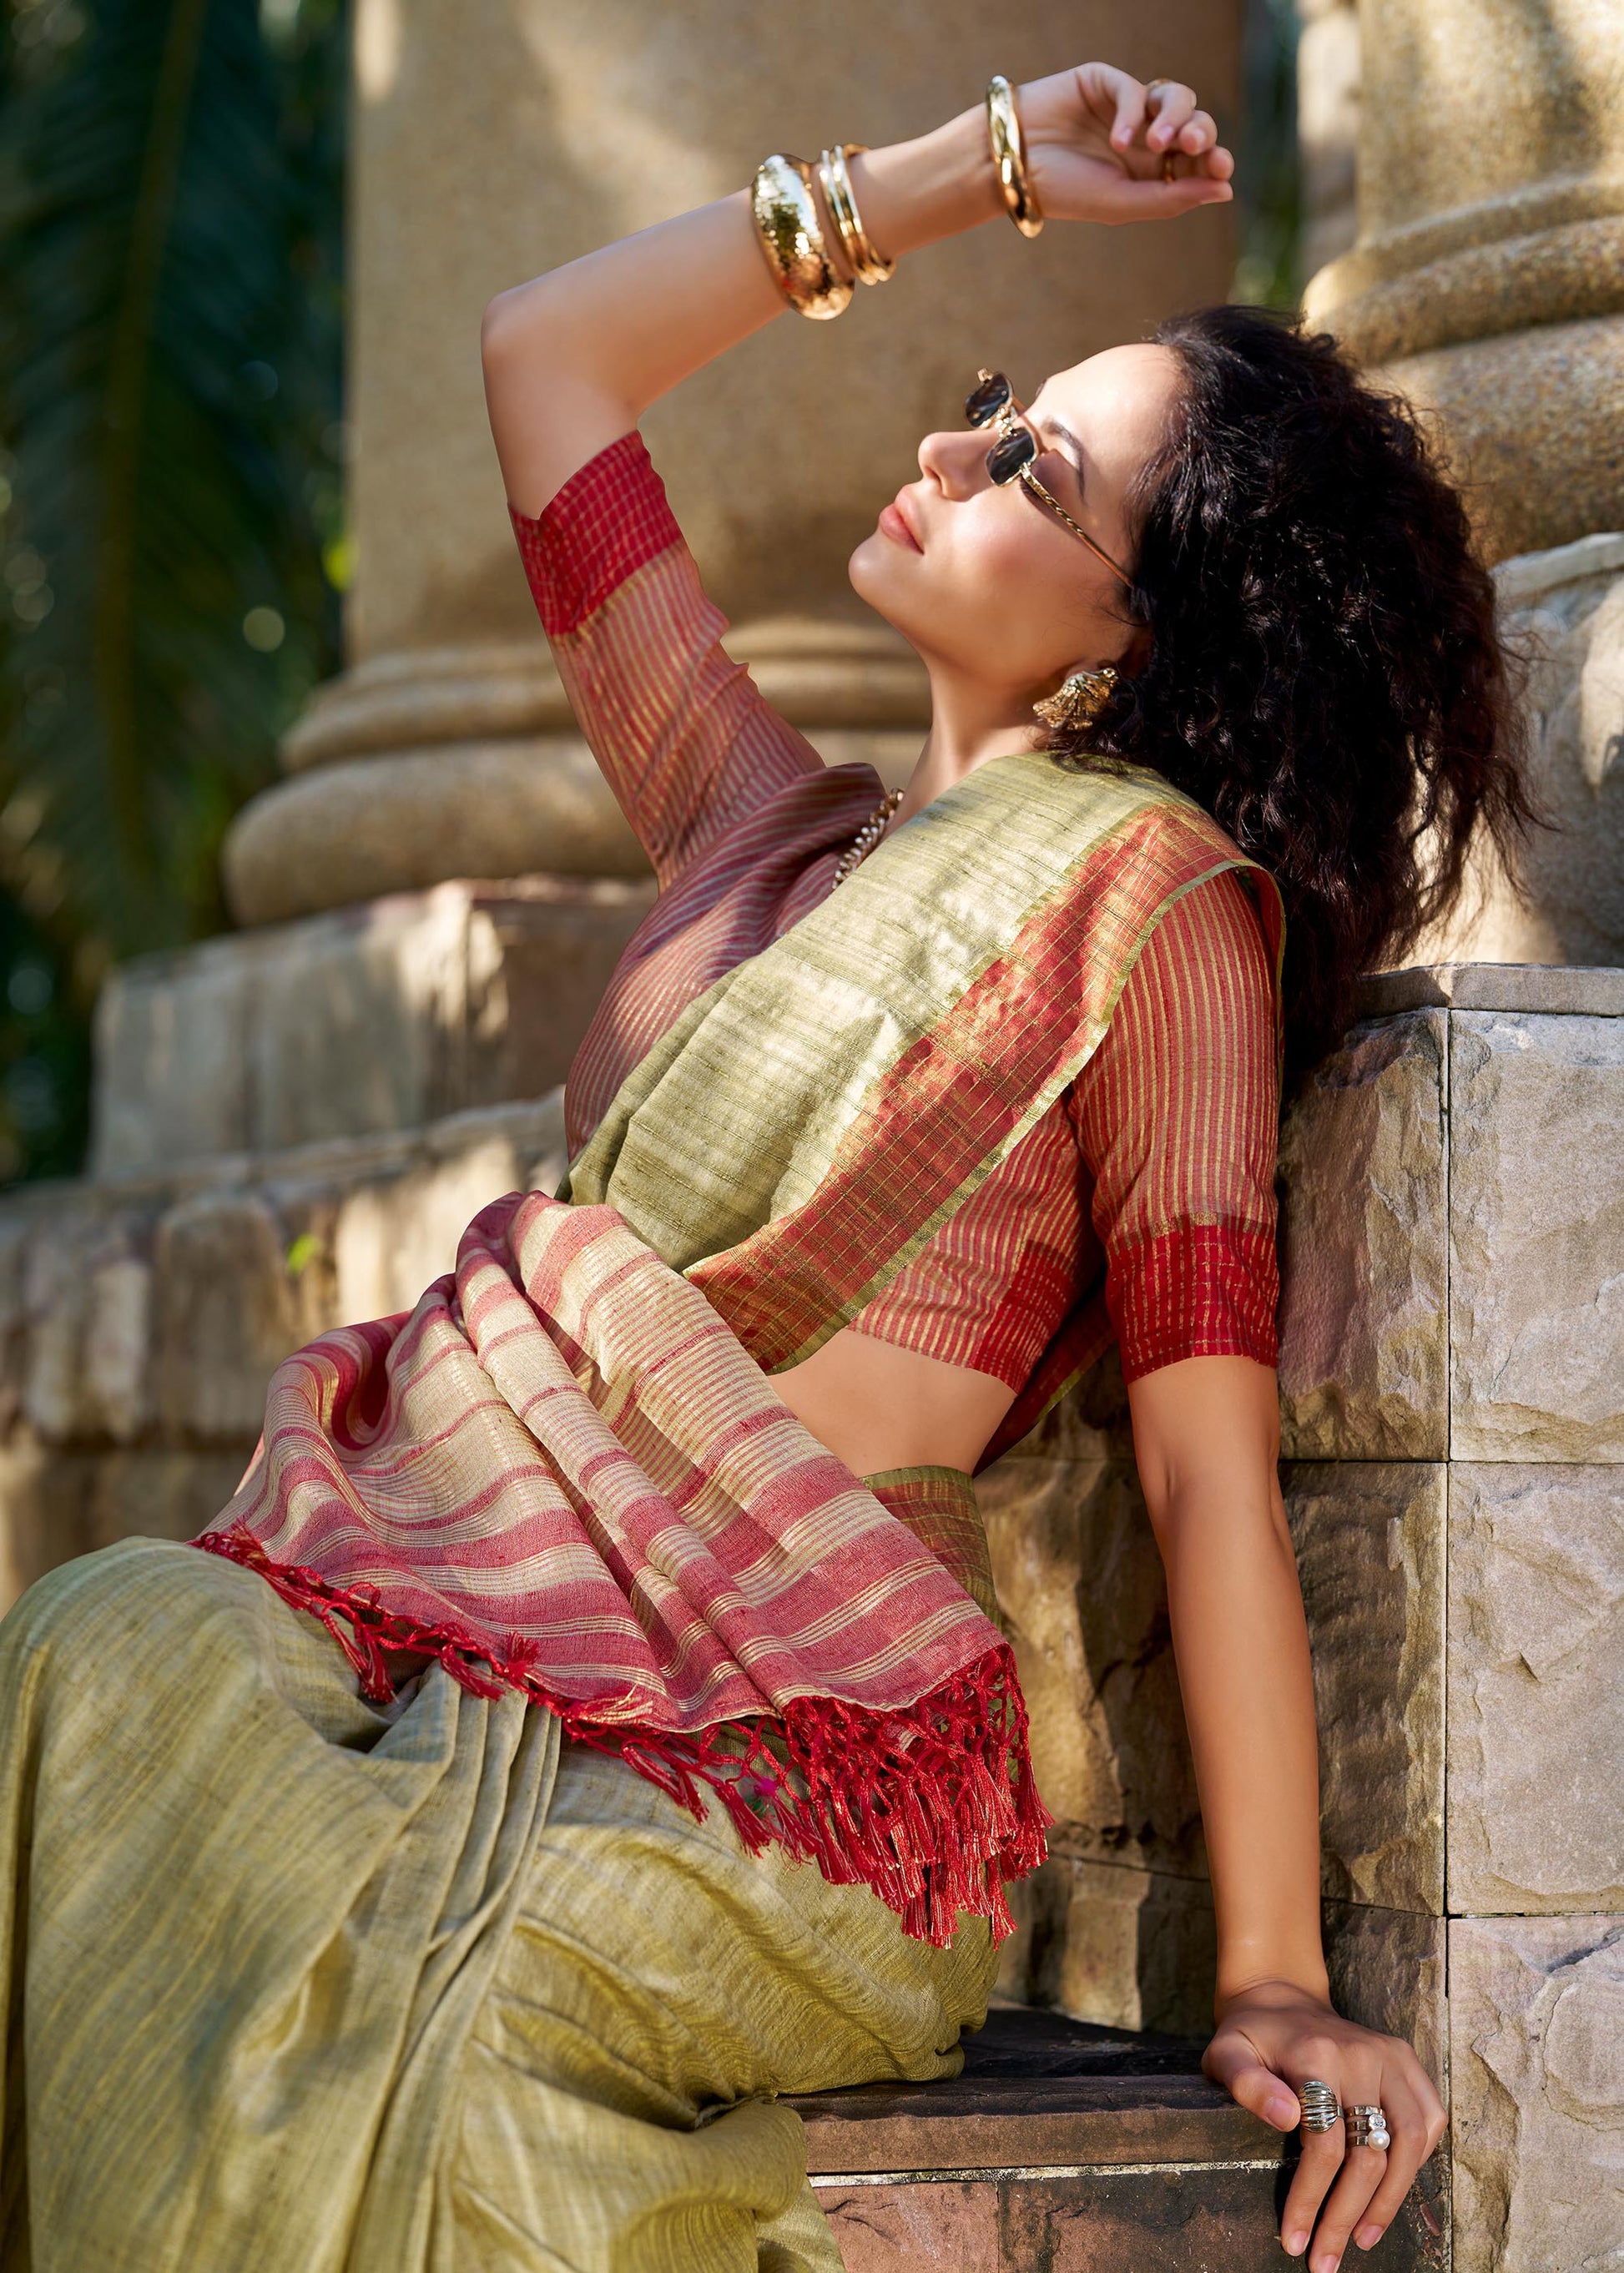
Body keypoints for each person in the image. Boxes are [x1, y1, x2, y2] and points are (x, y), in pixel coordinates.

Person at [0, 60, 1531, 2273]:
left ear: (1138, 640)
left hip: (790, 1758)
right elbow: (546, 356)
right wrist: (964, 173)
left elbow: (1210, 1472)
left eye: (1030, 468)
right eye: (989, 412)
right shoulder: (761, 831)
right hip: (480, 1645)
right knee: (100, 1648)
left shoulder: (1155, 917)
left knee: (441, 2015)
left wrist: (1276, 1970)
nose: (947, 452)